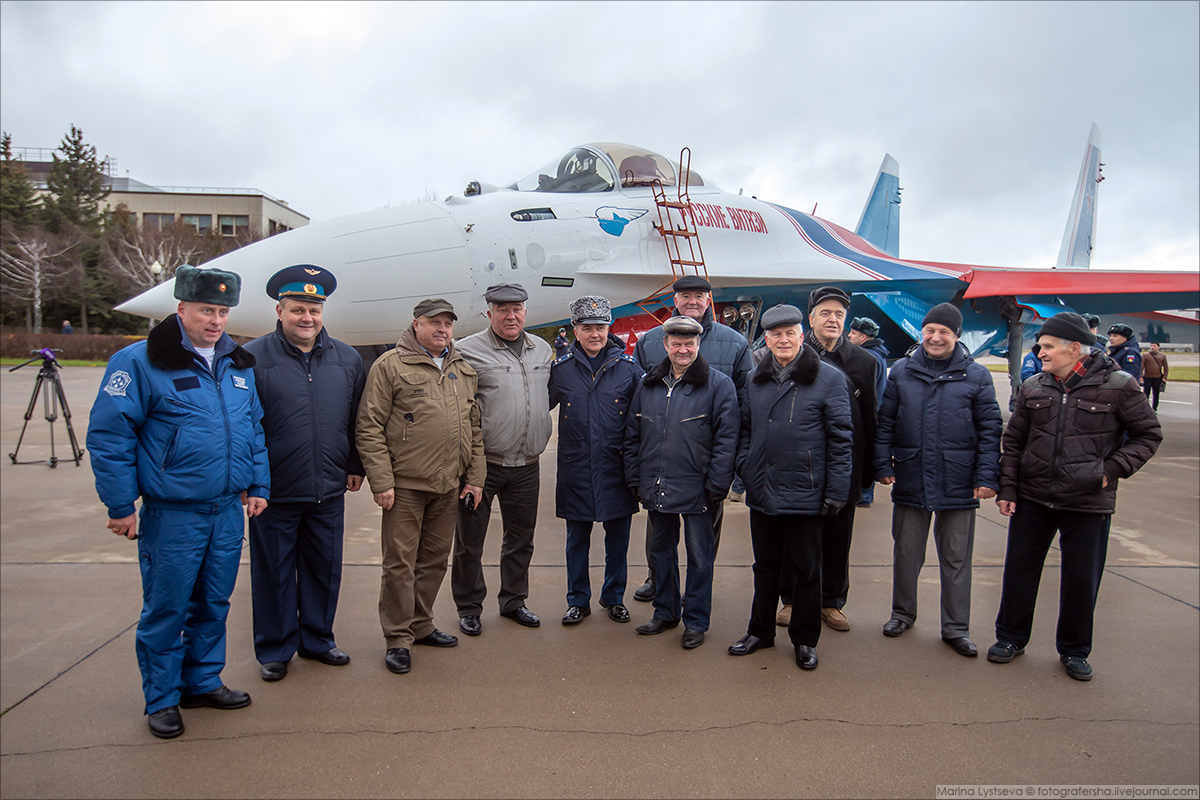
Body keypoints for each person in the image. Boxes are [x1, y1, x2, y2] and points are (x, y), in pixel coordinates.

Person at [86, 264, 269, 739]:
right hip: (173, 513)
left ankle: (202, 680)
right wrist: (121, 504)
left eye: (223, 311)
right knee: (167, 607)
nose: (216, 320)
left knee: (214, 602)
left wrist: (258, 485)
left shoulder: (237, 365)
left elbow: (253, 432)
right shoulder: (140, 362)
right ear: (181, 308)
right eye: (207, 309)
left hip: (227, 510)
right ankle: (162, 698)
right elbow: (110, 436)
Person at [990, 312, 1162, 681]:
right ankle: (1010, 638)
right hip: (1034, 497)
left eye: (1048, 346)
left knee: (1081, 579)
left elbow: (1148, 435)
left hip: (1087, 501)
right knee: (1019, 572)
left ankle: (1074, 650)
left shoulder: (1119, 386)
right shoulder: (1034, 386)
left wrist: (1109, 472)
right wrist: (1008, 487)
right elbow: (1014, 442)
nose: (1041, 351)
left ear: (1074, 348)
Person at [242, 265, 365, 682]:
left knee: (323, 568)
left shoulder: (348, 358)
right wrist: (251, 479)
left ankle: (318, 639)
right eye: (297, 309)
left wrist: (354, 466)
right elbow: (244, 425)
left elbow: (355, 421)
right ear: (280, 311)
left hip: (328, 487)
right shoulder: (253, 358)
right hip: (273, 489)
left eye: (314, 309)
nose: (307, 318)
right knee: (273, 572)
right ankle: (275, 648)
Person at [356, 298, 485, 676]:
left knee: (433, 560)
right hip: (405, 487)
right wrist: (382, 481)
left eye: (447, 323)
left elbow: (474, 428)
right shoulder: (390, 366)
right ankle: (397, 638)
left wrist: (474, 477)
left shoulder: (462, 369)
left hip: (448, 485)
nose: (442, 329)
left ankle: (421, 624)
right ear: (416, 325)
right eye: (434, 323)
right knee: (399, 564)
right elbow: (369, 426)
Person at [727, 304, 853, 671]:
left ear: (802, 335)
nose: (783, 340)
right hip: (763, 488)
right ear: (766, 339)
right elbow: (745, 431)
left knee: (807, 570)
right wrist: (744, 468)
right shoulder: (754, 380)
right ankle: (760, 631)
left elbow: (842, 440)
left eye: (790, 333)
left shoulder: (829, 379)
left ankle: (804, 639)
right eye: (776, 334)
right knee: (765, 566)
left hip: (807, 491)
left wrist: (836, 491)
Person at [874, 303, 1002, 657]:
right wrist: (882, 463)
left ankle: (956, 627)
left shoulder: (976, 376)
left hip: (959, 480)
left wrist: (987, 475)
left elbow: (990, 430)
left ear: (956, 336)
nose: (935, 337)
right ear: (922, 333)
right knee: (906, 553)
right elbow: (886, 422)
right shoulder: (901, 372)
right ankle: (902, 614)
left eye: (944, 331)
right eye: (930, 330)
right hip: (912, 476)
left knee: (957, 558)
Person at [630, 275, 752, 602]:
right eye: (686, 296)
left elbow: (745, 400)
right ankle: (659, 581)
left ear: (709, 300)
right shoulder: (651, 341)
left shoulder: (735, 343)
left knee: (704, 536)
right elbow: (639, 400)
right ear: (676, 300)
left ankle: (697, 592)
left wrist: (729, 467)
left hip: (708, 460)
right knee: (660, 532)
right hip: (664, 460)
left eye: (700, 295)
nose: (693, 301)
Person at [625, 315, 739, 650]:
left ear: (698, 345)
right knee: (661, 553)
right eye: (676, 344)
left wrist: (718, 483)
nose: (683, 349)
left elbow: (727, 438)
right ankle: (665, 612)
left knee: (700, 558)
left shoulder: (719, 385)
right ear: (666, 345)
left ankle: (696, 621)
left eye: (689, 343)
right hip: (657, 485)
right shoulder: (649, 384)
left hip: (699, 487)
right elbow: (634, 434)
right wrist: (635, 476)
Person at [451, 283, 553, 635]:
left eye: (518, 309)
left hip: (528, 464)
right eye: (503, 309)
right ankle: (469, 606)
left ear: (526, 311)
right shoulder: (466, 351)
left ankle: (513, 601)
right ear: (489, 312)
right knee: (469, 540)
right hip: (483, 466)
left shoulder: (541, 349)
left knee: (521, 537)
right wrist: (468, 467)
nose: (511, 316)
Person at [782, 286, 877, 633]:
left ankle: (831, 602)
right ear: (810, 320)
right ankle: (791, 599)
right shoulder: (793, 356)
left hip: (844, 466)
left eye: (839, 313)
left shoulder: (864, 362)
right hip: (801, 466)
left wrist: (867, 471)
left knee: (838, 538)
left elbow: (870, 418)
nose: (833, 319)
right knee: (797, 538)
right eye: (825, 313)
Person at [549, 296, 644, 625]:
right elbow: (533, 409)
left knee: (618, 541)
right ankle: (578, 599)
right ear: (575, 331)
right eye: (587, 328)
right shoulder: (560, 372)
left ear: (609, 329)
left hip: (616, 470)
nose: (594, 334)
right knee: (577, 541)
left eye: (600, 327)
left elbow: (645, 417)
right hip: (576, 470)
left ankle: (613, 597)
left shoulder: (629, 370)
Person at [846, 316, 888, 508]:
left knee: (863, 454)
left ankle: (864, 494)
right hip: (872, 412)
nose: (849, 335)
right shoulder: (877, 355)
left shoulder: (870, 359)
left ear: (863, 337)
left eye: (853, 333)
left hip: (866, 414)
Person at [1142, 341, 1169, 412]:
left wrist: (1165, 377)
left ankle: (1155, 408)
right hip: (1147, 377)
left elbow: (1165, 367)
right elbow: (1142, 366)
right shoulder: (1145, 355)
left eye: (1154, 346)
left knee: (1156, 393)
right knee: (1146, 393)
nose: (1152, 347)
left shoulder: (1162, 356)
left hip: (1157, 377)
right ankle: (1145, 408)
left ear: (1158, 347)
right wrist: (1140, 376)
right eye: (1151, 346)